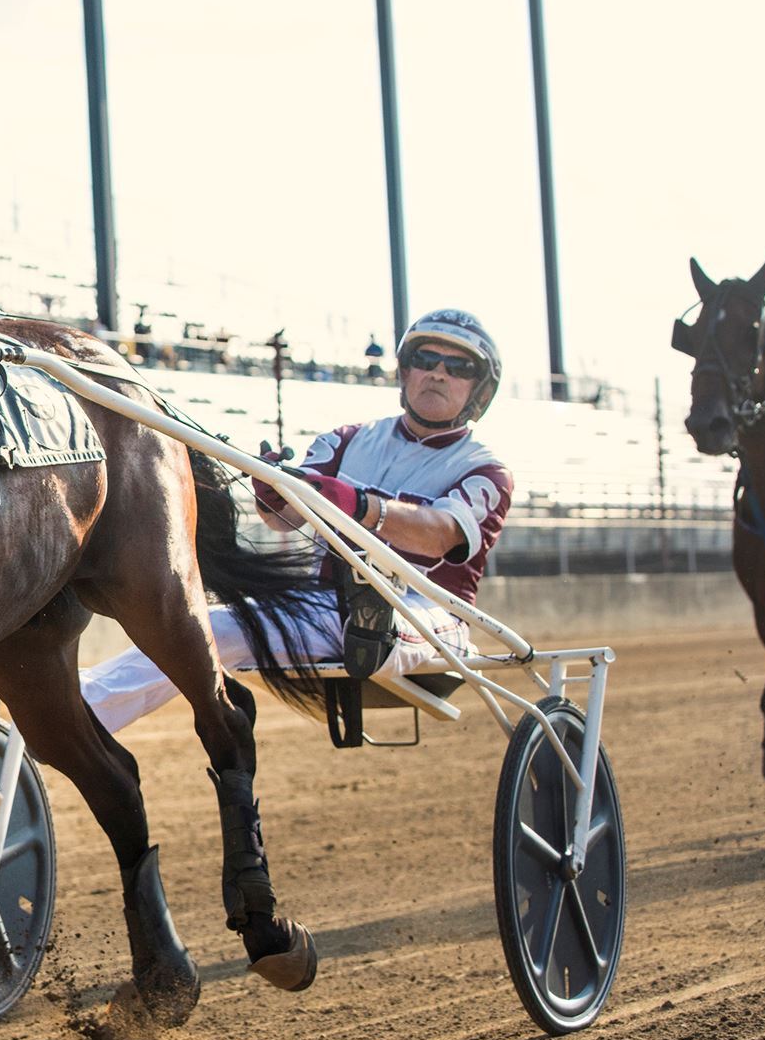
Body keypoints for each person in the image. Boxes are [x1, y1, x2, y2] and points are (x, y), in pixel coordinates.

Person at [79, 308, 513, 731]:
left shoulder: (486, 471)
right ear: (405, 372)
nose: (438, 373)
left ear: (478, 390)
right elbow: (283, 520)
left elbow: (439, 536)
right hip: (321, 606)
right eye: (425, 359)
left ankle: (373, 626)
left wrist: (358, 504)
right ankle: (78, 710)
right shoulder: (347, 440)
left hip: (429, 612)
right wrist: (274, 495)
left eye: (457, 366)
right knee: (206, 626)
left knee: (387, 621)